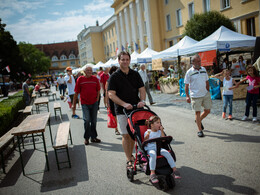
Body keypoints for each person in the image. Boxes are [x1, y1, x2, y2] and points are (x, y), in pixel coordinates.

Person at [108, 51, 146, 169]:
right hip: (122, 110)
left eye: (127, 59)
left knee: (137, 134)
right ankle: (129, 158)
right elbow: (111, 94)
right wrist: (124, 104)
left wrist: (142, 101)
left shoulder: (135, 74)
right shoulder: (114, 77)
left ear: (130, 60)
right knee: (126, 135)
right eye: (122, 59)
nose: (125, 61)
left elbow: (142, 89)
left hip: (136, 109)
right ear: (118, 61)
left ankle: (136, 156)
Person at [144, 115, 181, 184]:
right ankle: (152, 173)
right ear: (151, 125)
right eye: (157, 123)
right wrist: (147, 136)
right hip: (150, 149)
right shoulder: (147, 132)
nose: (160, 124)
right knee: (153, 154)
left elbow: (163, 140)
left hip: (159, 148)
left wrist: (161, 130)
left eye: (160, 123)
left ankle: (174, 170)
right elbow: (145, 142)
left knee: (167, 153)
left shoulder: (159, 132)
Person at [72, 65, 101, 145]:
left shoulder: (95, 79)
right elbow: (76, 92)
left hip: (94, 102)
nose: (89, 72)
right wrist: (74, 104)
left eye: (90, 70)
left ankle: (93, 137)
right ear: (84, 71)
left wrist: (97, 99)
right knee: (87, 120)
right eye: (87, 70)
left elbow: (98, 90)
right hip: (85, 103)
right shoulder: (80, 79)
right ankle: (86, 138)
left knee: (94, 121)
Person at [184, 54, 212, 137]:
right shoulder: (189, 72)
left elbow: (207, 81)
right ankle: (199, 130)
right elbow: (186, 85)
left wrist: (208, 91)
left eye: (200, 61)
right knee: (197, 112)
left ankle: (198, 120)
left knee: (207, 110)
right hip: (195, 95)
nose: (200, 62)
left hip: (205, 94)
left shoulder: (203, 69)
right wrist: (187, 96)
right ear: (193, 62)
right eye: (198, 61)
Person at [105, 66, 120, 135]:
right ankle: (116, 129)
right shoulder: (109, 81)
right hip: (112, 100)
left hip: (120, 99)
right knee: (114, 115)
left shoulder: (121, 79)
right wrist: (107, 101)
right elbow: (107, 92)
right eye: (114, 72)